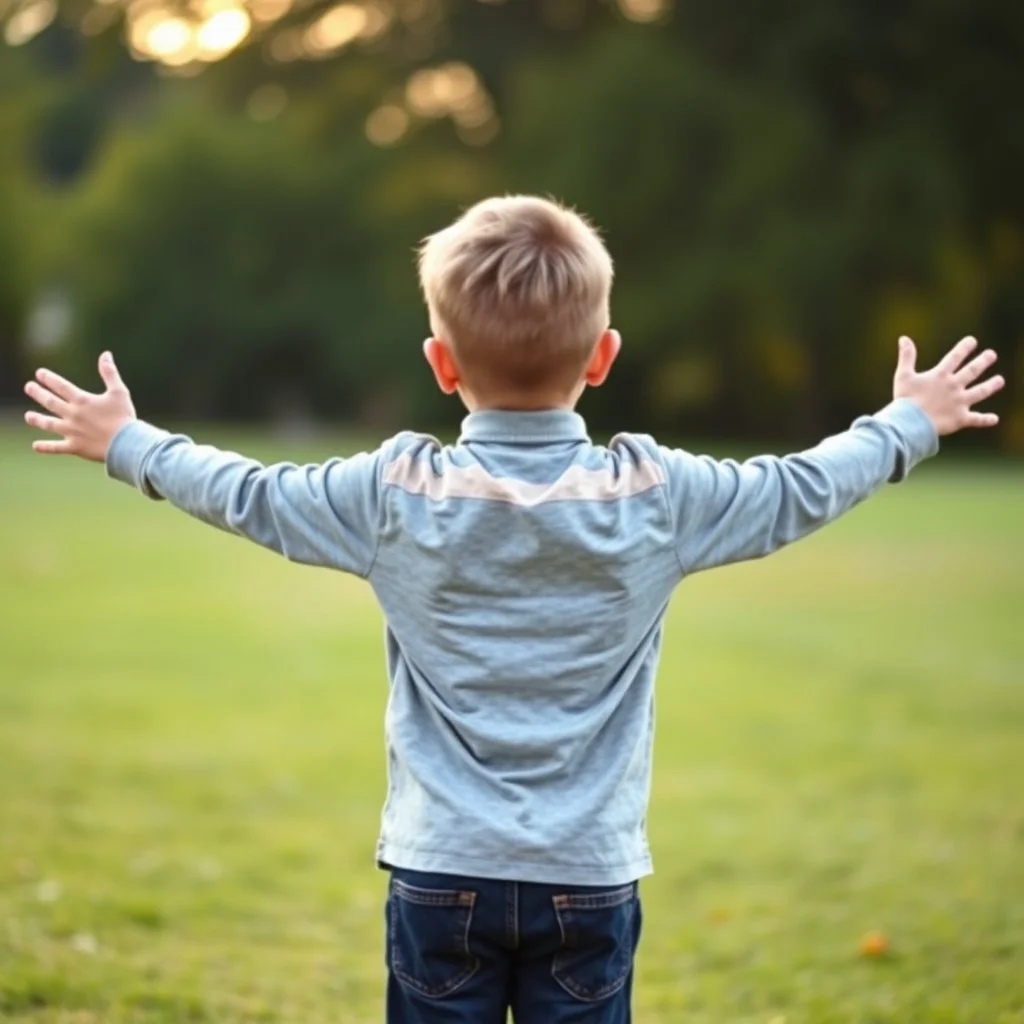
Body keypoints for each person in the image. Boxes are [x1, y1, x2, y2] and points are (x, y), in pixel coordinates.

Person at [23, 196, 1004, 1024]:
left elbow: (248, 492)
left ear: (439, 364)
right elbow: (798, 486)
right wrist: (907, 422)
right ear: (604, 354)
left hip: (438, 870)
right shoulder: (655, 497)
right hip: (590, 874)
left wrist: (129, 441)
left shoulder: (395, 493)